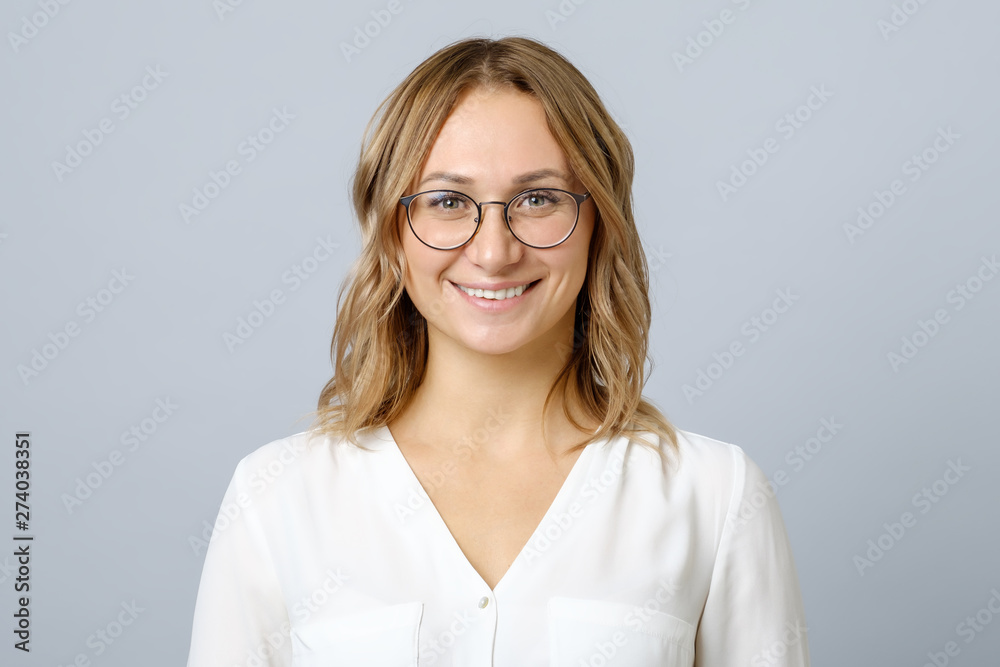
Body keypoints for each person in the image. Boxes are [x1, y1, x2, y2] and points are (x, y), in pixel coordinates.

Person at [186, 36, 810, 667]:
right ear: (392, 231)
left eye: (538, 199)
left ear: (600, 223)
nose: (493, 252)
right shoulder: (277, 498)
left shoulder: (713, 498)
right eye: (448, 201)